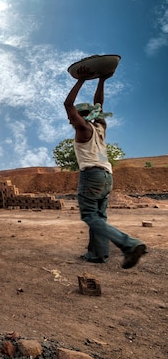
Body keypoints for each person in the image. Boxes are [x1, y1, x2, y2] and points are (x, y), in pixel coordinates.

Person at [64, 65, 147, 268]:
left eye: (73, 117)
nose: (70, 119)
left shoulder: (83, 128)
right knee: (99, 216)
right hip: (107, 176)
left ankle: (129, 244)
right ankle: (98, 255)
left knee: (90, 216)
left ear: (81, 116)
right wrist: (101, 80)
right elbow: (98, 104)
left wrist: (82, 79)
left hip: (91, 176)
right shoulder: (100, 126)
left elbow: (68, 104)